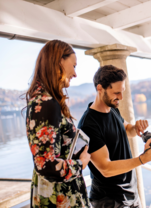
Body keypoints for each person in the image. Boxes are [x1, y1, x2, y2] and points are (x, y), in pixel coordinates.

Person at [78, 65, 151, 208]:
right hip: (109, 201)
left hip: (130, 194)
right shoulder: (88, 124)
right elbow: (106, 168)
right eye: (117, 92)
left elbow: (127, 129)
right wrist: (143, 159)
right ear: (100, 88)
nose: (121, 97)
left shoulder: (113, 110)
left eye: (122, 91)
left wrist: (136, 127)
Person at [25, 40, 91, 207]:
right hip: (60, 198)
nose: (75, 74)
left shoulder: (42, 100)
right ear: (59, 60)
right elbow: (46, 165)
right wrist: (80, 164)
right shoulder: (47, 103)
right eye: (74, 66)